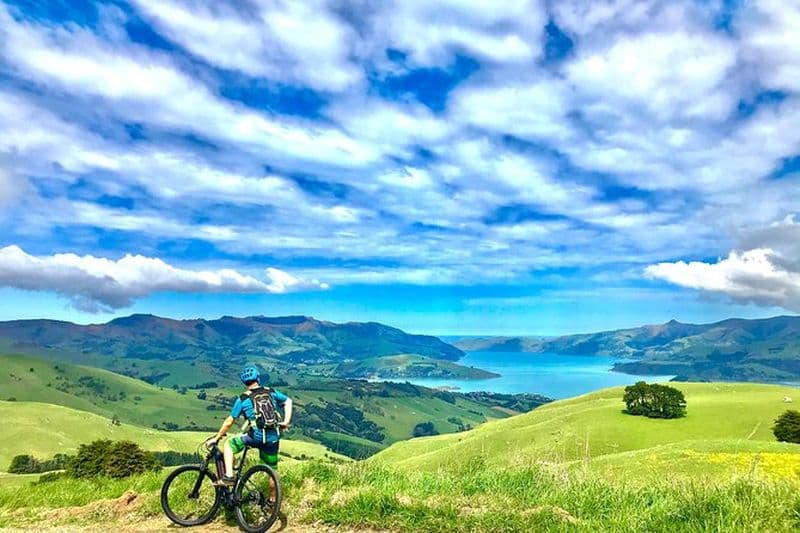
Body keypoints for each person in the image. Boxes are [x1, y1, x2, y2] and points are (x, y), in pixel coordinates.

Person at [206, 365, 293, 485]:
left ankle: (229, 476)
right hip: (273, 438)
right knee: (272, 471)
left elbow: (229, 422)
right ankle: (273, 500)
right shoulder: (271, 392)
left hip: (255, 437)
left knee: (229, 444)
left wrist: (216, 438)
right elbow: (288, 401)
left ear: (244, 382)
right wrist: (286, 421)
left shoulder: (242, 399)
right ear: (258, 378)